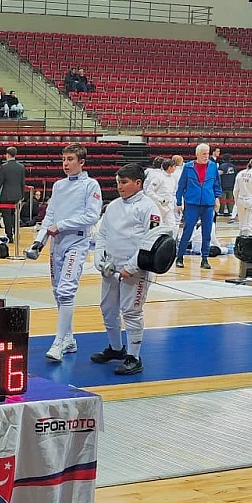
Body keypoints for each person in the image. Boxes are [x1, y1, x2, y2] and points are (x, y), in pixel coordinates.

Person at [31, 143, 104, 362]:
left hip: (77, 242)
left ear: (82, 162)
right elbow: (50, 215)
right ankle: (69, 339)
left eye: (70, 159)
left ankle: (58, 342)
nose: (66, 164)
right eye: (64, 159)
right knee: (57, 292)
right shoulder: (59, 186)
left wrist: (61, 225)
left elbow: (92, 216)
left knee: (66, 292)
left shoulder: (91, 185)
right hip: (57, 244)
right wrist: (38, 241)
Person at [91, 163, 158, 376]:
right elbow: (102, 234)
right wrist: (99, 260)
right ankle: (116, 348)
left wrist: (131, 266)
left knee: (131, 312)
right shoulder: (113, 206)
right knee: (108, 310)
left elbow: (152, 241)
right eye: (118, 182)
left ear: (138, 183)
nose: (119, 186)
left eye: (124, 182)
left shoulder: (149, 207)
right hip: (111, 270)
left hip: (135, 272)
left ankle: (134, 357)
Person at [175, 142, 221, 269]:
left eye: (207, 153)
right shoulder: (188, 167)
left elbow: (217, 184)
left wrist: (217, 198)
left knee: (207, 232)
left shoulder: (213, 167)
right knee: (187, 231)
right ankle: (180, 257)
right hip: (192, 203)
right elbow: (181, 186)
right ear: (197, 154)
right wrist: (178, 202)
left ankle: (204, 259)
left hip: (208, 203)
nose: (206, 156)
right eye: (203, 154)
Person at [0, 146, 25, 244]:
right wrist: (22, 195)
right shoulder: (21, 167)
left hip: (6, 195)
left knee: (6, 216)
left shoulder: (4, 167)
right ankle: (16, 232)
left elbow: (0, 182)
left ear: (7, 155)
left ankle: (9, 236)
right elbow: (22, 182)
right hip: (17, 195)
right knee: (14, 215)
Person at [143, 156, 179, 236]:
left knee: (172, 226)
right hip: (158, 206)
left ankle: (170, 243)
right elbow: (149, 191)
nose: (175, 168)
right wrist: (161, 200)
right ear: (169, 167)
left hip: (168, 206)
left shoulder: (172, 178)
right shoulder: (158, 177)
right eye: (174, 166)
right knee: (154, 227)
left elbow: (172, 193)